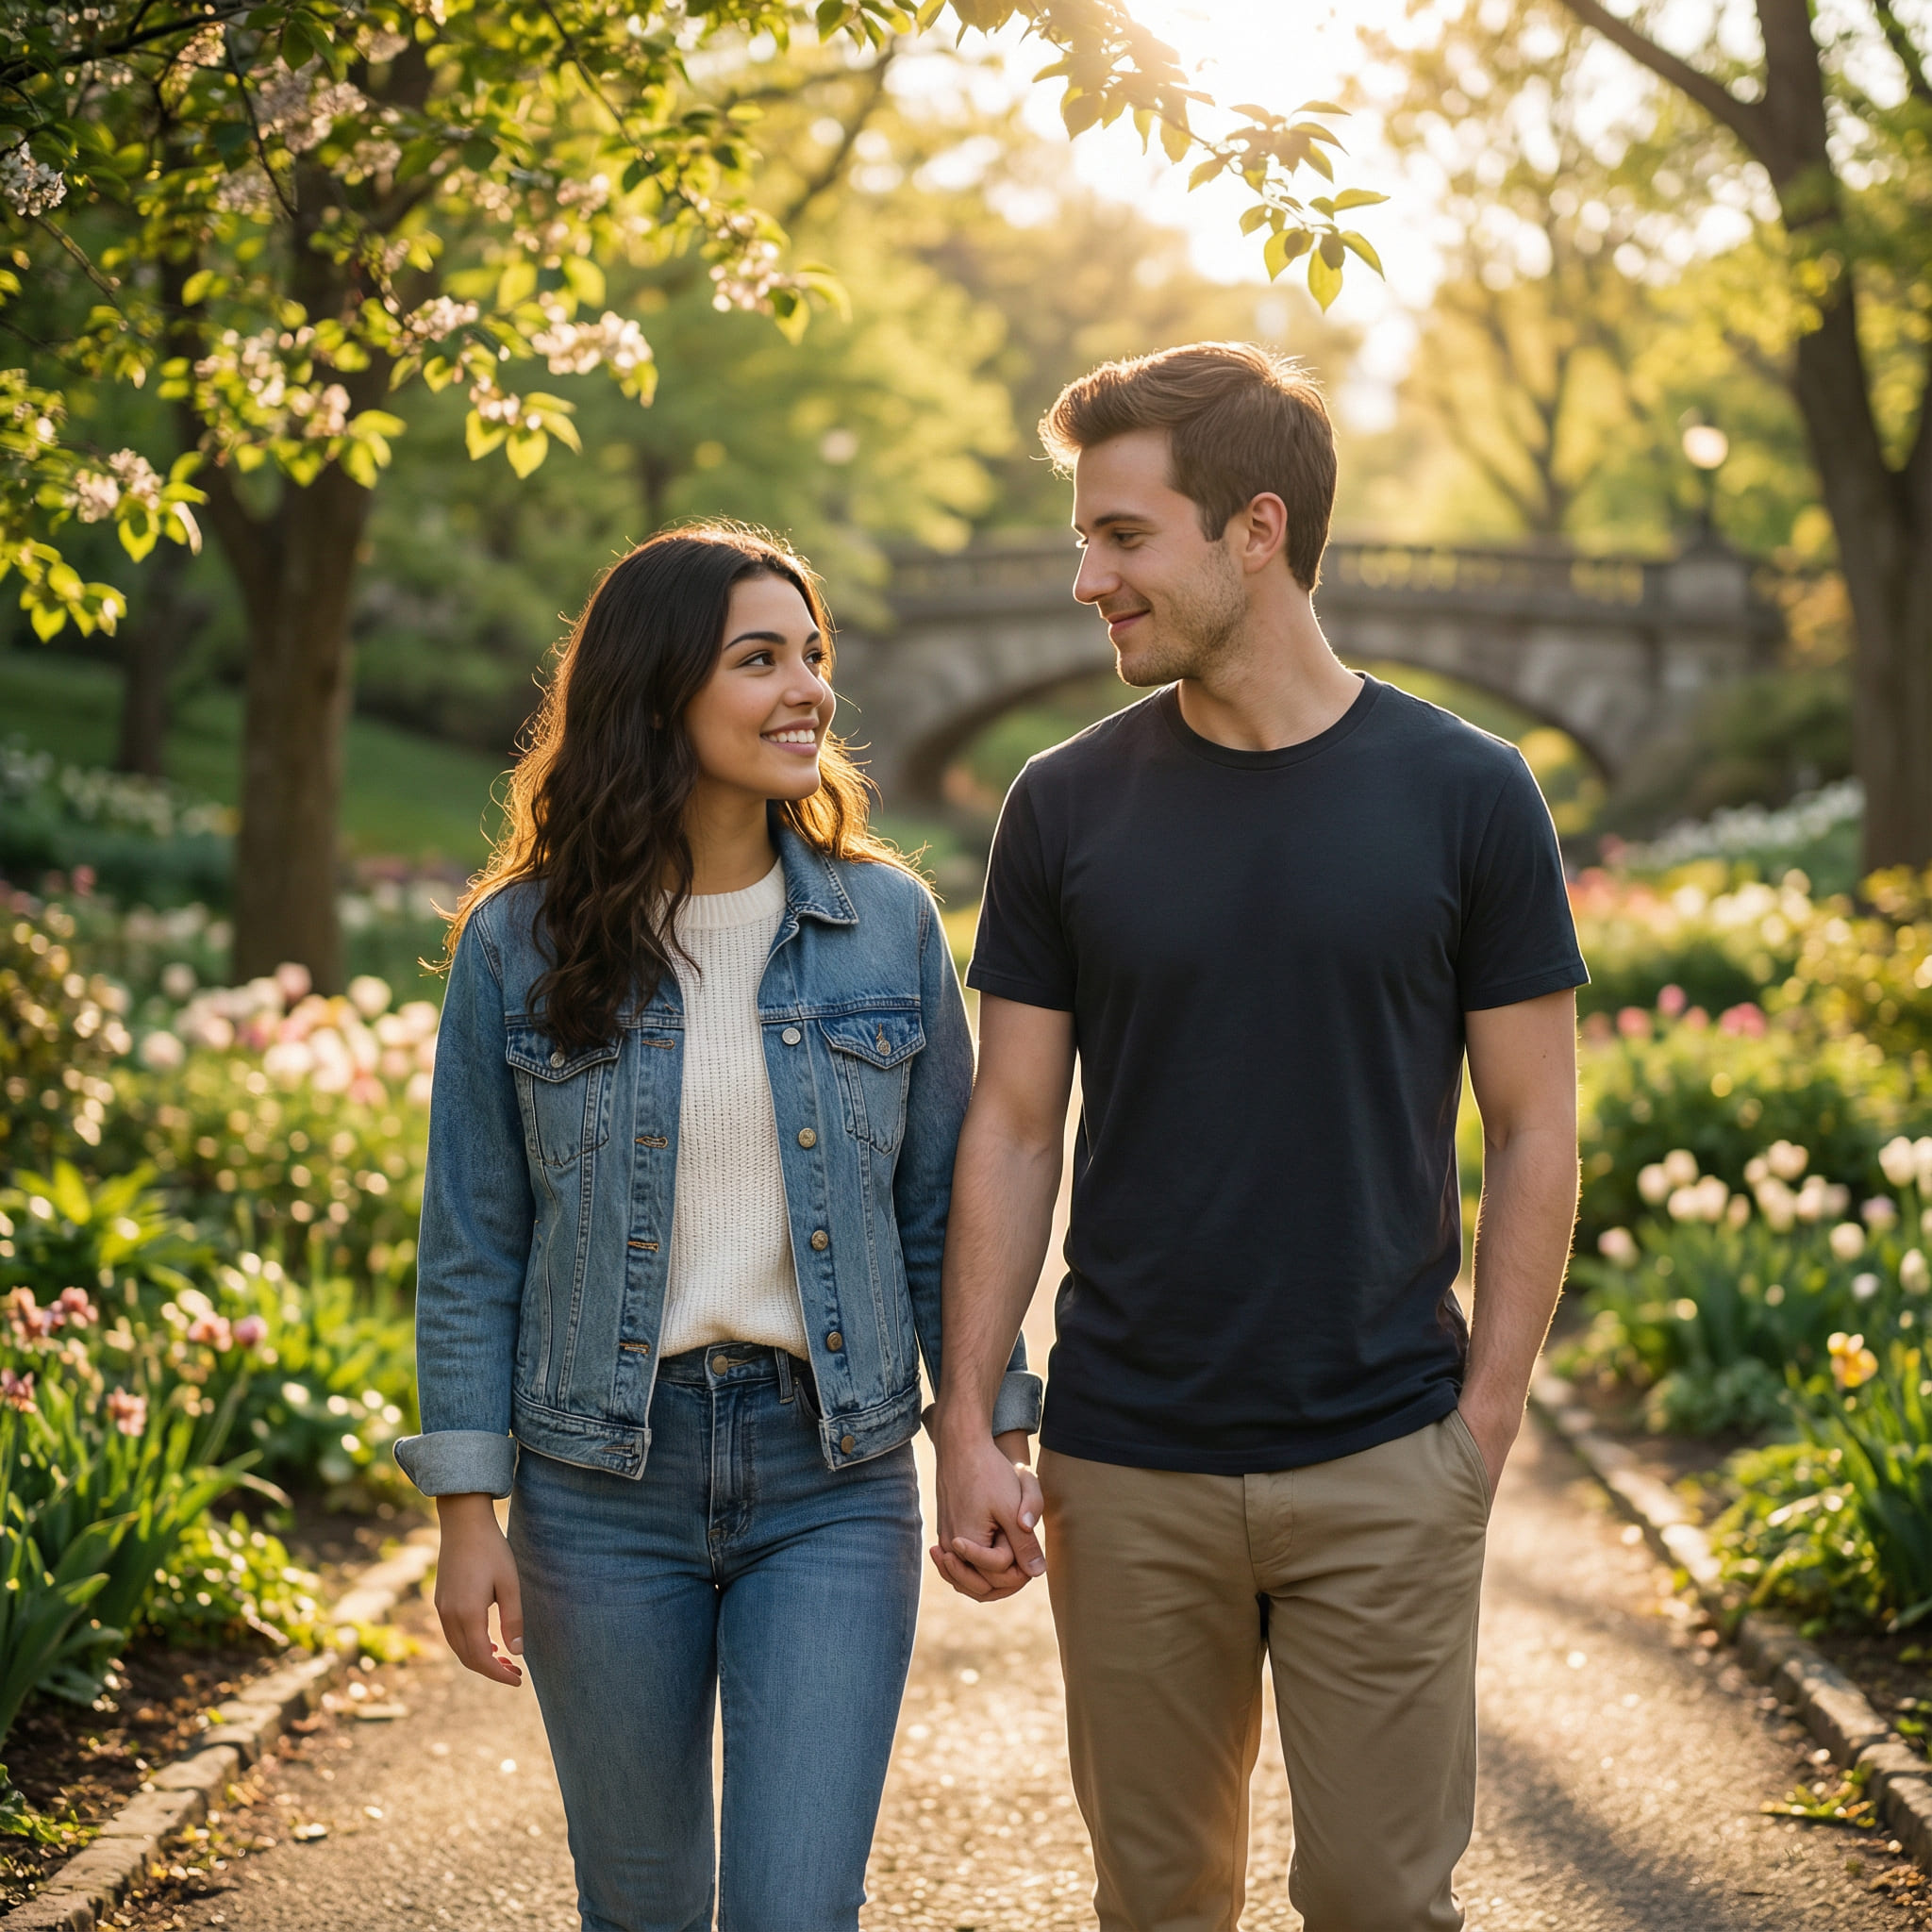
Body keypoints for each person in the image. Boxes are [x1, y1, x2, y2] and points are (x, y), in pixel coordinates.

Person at [929, 343, 1587, 1932]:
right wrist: (971, 1419)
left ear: (1256, 529)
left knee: (1378, 1897)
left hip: (1387, 1450)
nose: (1087, 578)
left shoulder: (1470, 794)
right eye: (1084, 538)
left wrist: (1480, 1435)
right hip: (1128, 1459)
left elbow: (1537, 1127)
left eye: (1123, 536)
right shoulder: (1062, 806)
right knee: (1159, 1903)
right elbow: (1012, 1128)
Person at [393, 524, 1041, 1932]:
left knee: (797, 1911)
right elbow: (473, 1247)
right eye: (761, 659)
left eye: (813, 655)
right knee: (642, 1912)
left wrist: (984, 1437)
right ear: (657, 691)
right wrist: (467, 1512)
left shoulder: (886, 926)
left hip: (833, 1479)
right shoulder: (521, 945)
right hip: (596, 1491)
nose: (807, 687)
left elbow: (941, 1217)